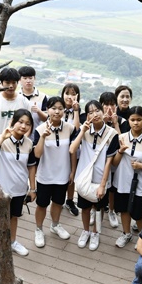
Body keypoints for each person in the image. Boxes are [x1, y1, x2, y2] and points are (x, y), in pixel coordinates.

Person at [0, 109, 37, 273]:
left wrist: (32, 188)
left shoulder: (29, 143)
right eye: (21, 122)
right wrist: (2, 137)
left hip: (19, 189)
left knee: (14, 217)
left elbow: (31, 167)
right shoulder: (1, 140)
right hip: (1, 191)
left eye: (28, 123)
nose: (23, 126)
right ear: (13, 122)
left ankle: (12, 241)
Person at [70, 100, 118, 250]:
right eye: (90, 112)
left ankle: (96, 233)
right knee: (84, 208)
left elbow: (110, 161)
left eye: (97, 110)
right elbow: (72, 149)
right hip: (85, 177)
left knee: (99, 208)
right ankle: (85, 231)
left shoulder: (112, 134)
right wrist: (82, 131)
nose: (94, 114)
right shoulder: (85, 131)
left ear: (103, 112)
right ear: (87, 115)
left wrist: (103, 185)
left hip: (100, 178)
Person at [0, 68, 31, 218]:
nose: (10, 86)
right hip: (1, 143)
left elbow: (27, 124)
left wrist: (23, 140)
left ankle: (16, 201)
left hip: (20, 145)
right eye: (7, 82)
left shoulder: (23, 101)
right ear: (1, 83)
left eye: (13, 82)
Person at [112, 106, 142, 248]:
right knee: (124, 209)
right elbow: (114, 162)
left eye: (139, 119)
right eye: (132, 120)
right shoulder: (121, 138)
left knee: (138, 213)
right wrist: (120, 151)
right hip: (121, 181)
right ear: (128, 120)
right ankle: (126, 233)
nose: (136, 123)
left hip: (140, 183)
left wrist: (141, 166)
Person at [32, 96, 77, 247]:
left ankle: (55, 225)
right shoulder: (39, 129)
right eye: (53, 108)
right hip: (45, 175)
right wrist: (43, 137)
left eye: (60, 108)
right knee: (42, 204)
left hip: (62, 174)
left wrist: (72, 171)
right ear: (47, 110)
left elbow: (72, 152)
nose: (57, 111)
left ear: (64, 110)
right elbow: (37, 154)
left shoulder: (69, 128)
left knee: (58, 202)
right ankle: (39, 229)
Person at [100, 91, 131, 229]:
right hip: (100, 160)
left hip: (116, 160)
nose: (109, 108)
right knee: (99, 184)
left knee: (112, 188)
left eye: (112, 104)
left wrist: (115, 124)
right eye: (106, 105)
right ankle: (98, 211)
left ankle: (111, 211)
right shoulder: (97, 120)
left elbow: (122, 142)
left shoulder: (123, 122)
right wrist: (104, 122)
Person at [60, 83, 81, 216]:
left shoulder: (80, 111)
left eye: (73, 94)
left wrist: (76, 110)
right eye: (67, 93)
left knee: (71, 175)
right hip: (59, 148)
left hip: (74, 149)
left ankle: (69, 200)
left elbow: (77, 129)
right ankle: (58, 199)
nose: (70, 96)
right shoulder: (57, 108)